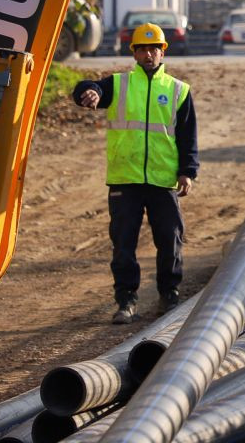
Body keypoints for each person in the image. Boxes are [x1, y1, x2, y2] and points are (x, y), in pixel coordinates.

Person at [73, 22, 198, 324]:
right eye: (142, 48)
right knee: (123, 245)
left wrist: (187, 171)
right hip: (125, 180)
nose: (149, 53)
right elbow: (89, 89)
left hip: (162, 180)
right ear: (135, 53)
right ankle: (126, 301)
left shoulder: (178, 91)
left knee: (170, 240)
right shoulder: (119, 84)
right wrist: (87, 92)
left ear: (162, 51)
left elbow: (187, 136)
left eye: (154, 48)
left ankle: (169, 296)